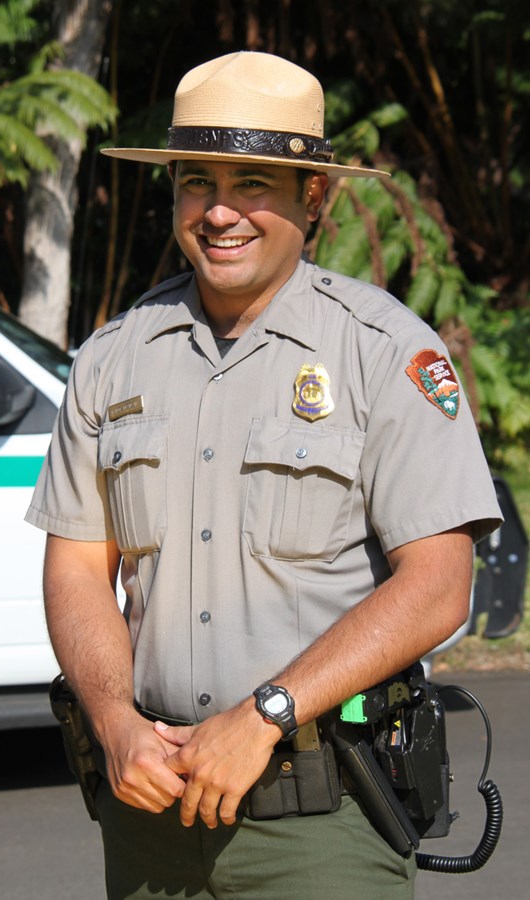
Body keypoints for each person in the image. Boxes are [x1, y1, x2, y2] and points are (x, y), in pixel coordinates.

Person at [26, 51, 502, 899]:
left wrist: (266, 716)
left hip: (320, 826)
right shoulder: (111, 359)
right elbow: (77, 569)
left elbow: (439, 586)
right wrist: (113, 723)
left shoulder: (385, 353)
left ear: (311, 198)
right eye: (196, 181)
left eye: (254, 183)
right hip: (150, 817)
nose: (219, 213)